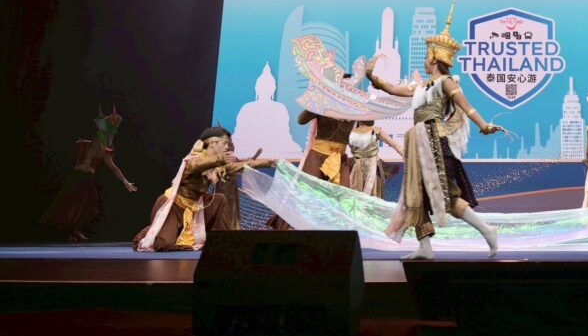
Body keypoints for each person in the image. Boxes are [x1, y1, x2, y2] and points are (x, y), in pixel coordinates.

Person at [367, 2, 505, 260]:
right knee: (414, 195)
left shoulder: (446, 82)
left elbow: (468, 107)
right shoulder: (420, 86)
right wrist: (373, 78)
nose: (425, 57)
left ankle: (487, 230)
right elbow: (395, 90)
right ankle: (425, 247)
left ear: (433, 57)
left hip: (434, 140)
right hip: (417, 141)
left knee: (445, 195)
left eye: (427, 53)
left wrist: (484, 126)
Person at [134, 127, 275, 251]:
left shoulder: (216, 163)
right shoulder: (194, 158)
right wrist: (220, 159)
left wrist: (270, 162)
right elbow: (197, 165)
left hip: (196, 206)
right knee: (163, 245)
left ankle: (222, 241)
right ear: (213, 143)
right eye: (224, 143)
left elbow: (240, 165)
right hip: (175, 206)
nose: (227, 147)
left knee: (219, 200)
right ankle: (149, 232)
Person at [40, 105, 137, 241]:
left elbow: (113, 167)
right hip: (80, 176)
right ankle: (70, 232)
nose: (112, 135)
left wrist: (125, 181)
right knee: (72, 204)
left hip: (86, 178)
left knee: (88, 207)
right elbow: (93, 150)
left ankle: (74, 232)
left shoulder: (104, 149)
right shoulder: (94, 144)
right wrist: (88, 160)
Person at [267, 110, 354, 230]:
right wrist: (315, 104)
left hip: (339, 158)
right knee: (305, 193)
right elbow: (301, 120)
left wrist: (361, 106)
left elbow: (369, 122)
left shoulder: (353, 106)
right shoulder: (322, 103)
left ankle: (337, 232)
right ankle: (289, 228)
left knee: (344, 198)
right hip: (318, 156)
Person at [348, 120, 402, 198]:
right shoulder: (351, 132)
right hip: (357, 168)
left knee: (373, 196)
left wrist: (408, 156)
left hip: (373, 168)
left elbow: (396, 146)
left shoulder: (376, 130)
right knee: (356, 197)